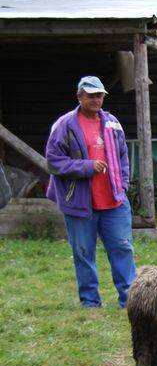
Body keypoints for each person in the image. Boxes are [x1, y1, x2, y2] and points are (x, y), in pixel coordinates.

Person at [45, 76, 136, 308]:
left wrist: (123, 186)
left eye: (99, 95)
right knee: (84, 253)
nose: (96, 99)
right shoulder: (64, 125)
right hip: (79, 202)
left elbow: (124, 157)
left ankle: (130, 300)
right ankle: (90, 302)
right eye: (91, 95)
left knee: (123, 248)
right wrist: (86, 166)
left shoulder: (112, 123)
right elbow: (54, 161)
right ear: (80, 96)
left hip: (114, 201)